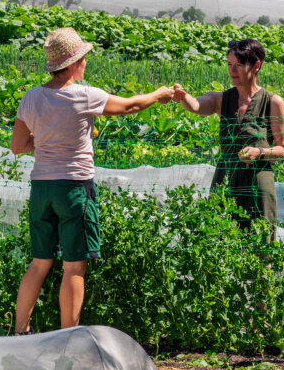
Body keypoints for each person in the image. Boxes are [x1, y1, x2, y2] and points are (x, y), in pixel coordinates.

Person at [9, 27, 174, 334]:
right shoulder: (86, 95)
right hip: (74, 189)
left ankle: (19, 331)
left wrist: (47, 140)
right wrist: (159, 95)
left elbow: (18, 146)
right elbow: (131, 106)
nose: (85, 63)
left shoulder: (31, 98)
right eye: (83, 58)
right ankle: (66, 337)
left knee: (39, 262)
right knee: (74, 266)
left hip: (42, 188)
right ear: (72, 64)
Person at [172, 39, 284, 228]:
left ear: (256, 66)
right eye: (229, 64)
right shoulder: (221, 99)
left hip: (257, 182)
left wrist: (259, 152)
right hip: (225, 178)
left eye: (239, 65)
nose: (232, 71)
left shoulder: (273, 102)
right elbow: (196, 106)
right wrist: (183, 97)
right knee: (220, 235)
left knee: (259, 239)